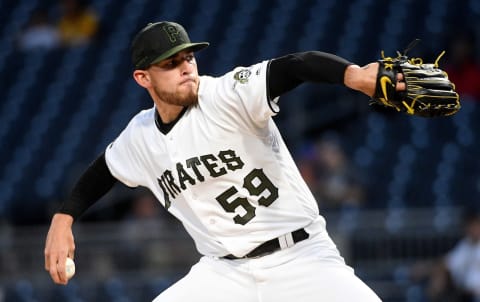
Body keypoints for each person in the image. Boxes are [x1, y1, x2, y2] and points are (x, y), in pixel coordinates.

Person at [44, 21, 405, 301]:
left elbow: (295, 66)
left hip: (302, 257)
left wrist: (354, 75)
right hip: (223, 274)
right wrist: (63, 220)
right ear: (143, 77)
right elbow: (103, 171)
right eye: (171, 63)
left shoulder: (225, 94)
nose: (186, 67)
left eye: (188, 57)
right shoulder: (140, 136)